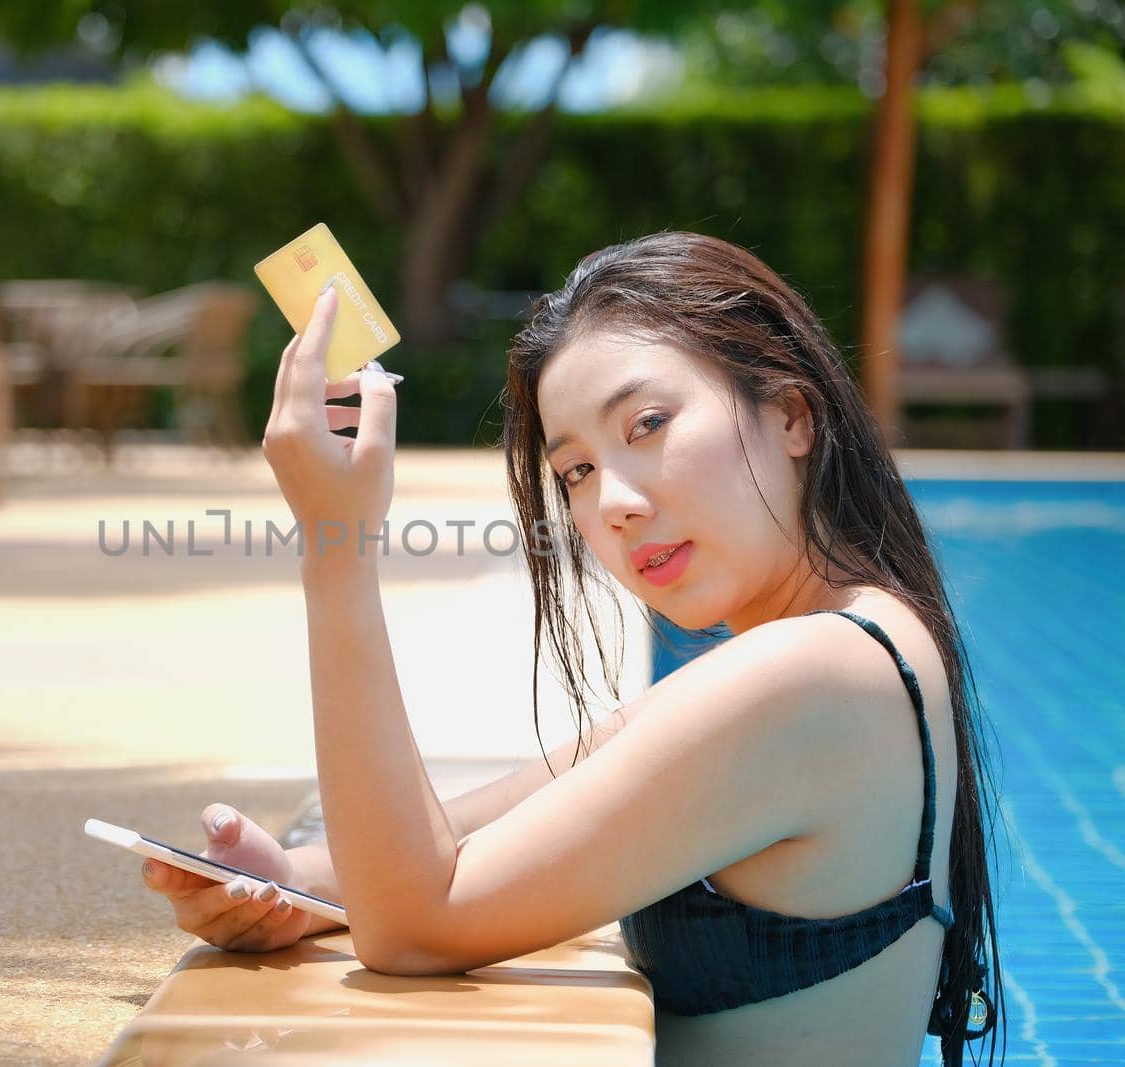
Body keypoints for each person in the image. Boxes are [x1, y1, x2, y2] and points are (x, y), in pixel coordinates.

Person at [140, 232, 1004, 1067]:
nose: (615, 502)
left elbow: (414, 925)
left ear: (790, 416)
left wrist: (335, 545)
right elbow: (476, 835)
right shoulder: (840, 646)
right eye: (578, 471)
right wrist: (292, 882)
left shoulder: (818, 675)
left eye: (649, 423)